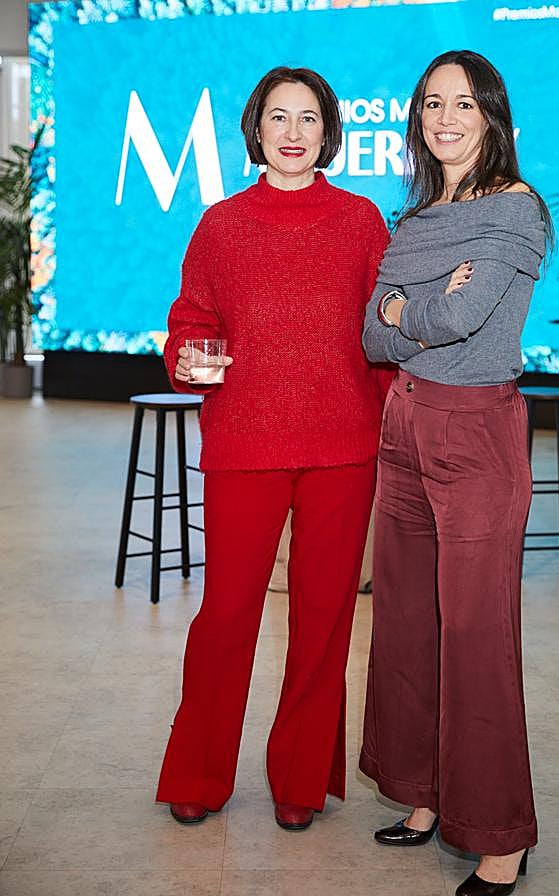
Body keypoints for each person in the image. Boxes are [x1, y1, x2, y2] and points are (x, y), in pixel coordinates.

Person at [156, 66, 391, 832]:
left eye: (309, 118)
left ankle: (301, 779)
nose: (294, 133)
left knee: (324, 623)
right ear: (256, 129)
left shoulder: (361, 221)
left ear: (329, 132)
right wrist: (187, 358)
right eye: (279, 117)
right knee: (226, 615)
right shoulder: (221, 225)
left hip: (342, 446)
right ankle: (198, 771)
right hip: (243, 444)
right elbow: (192, 321)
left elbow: (382, 332)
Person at [359, 50, 551, 896]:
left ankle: (501, 837)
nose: (445, 118)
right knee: (406, 624)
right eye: (432, 103)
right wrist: (413, 311)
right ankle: (425, 794)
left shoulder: (515, 208)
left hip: (475, 434)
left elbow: (464, 317)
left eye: (464, 104)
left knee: (477, 637)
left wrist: (406, 305)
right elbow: (374, 335)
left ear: (492, 117)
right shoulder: (414, 219)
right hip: (403, 425)